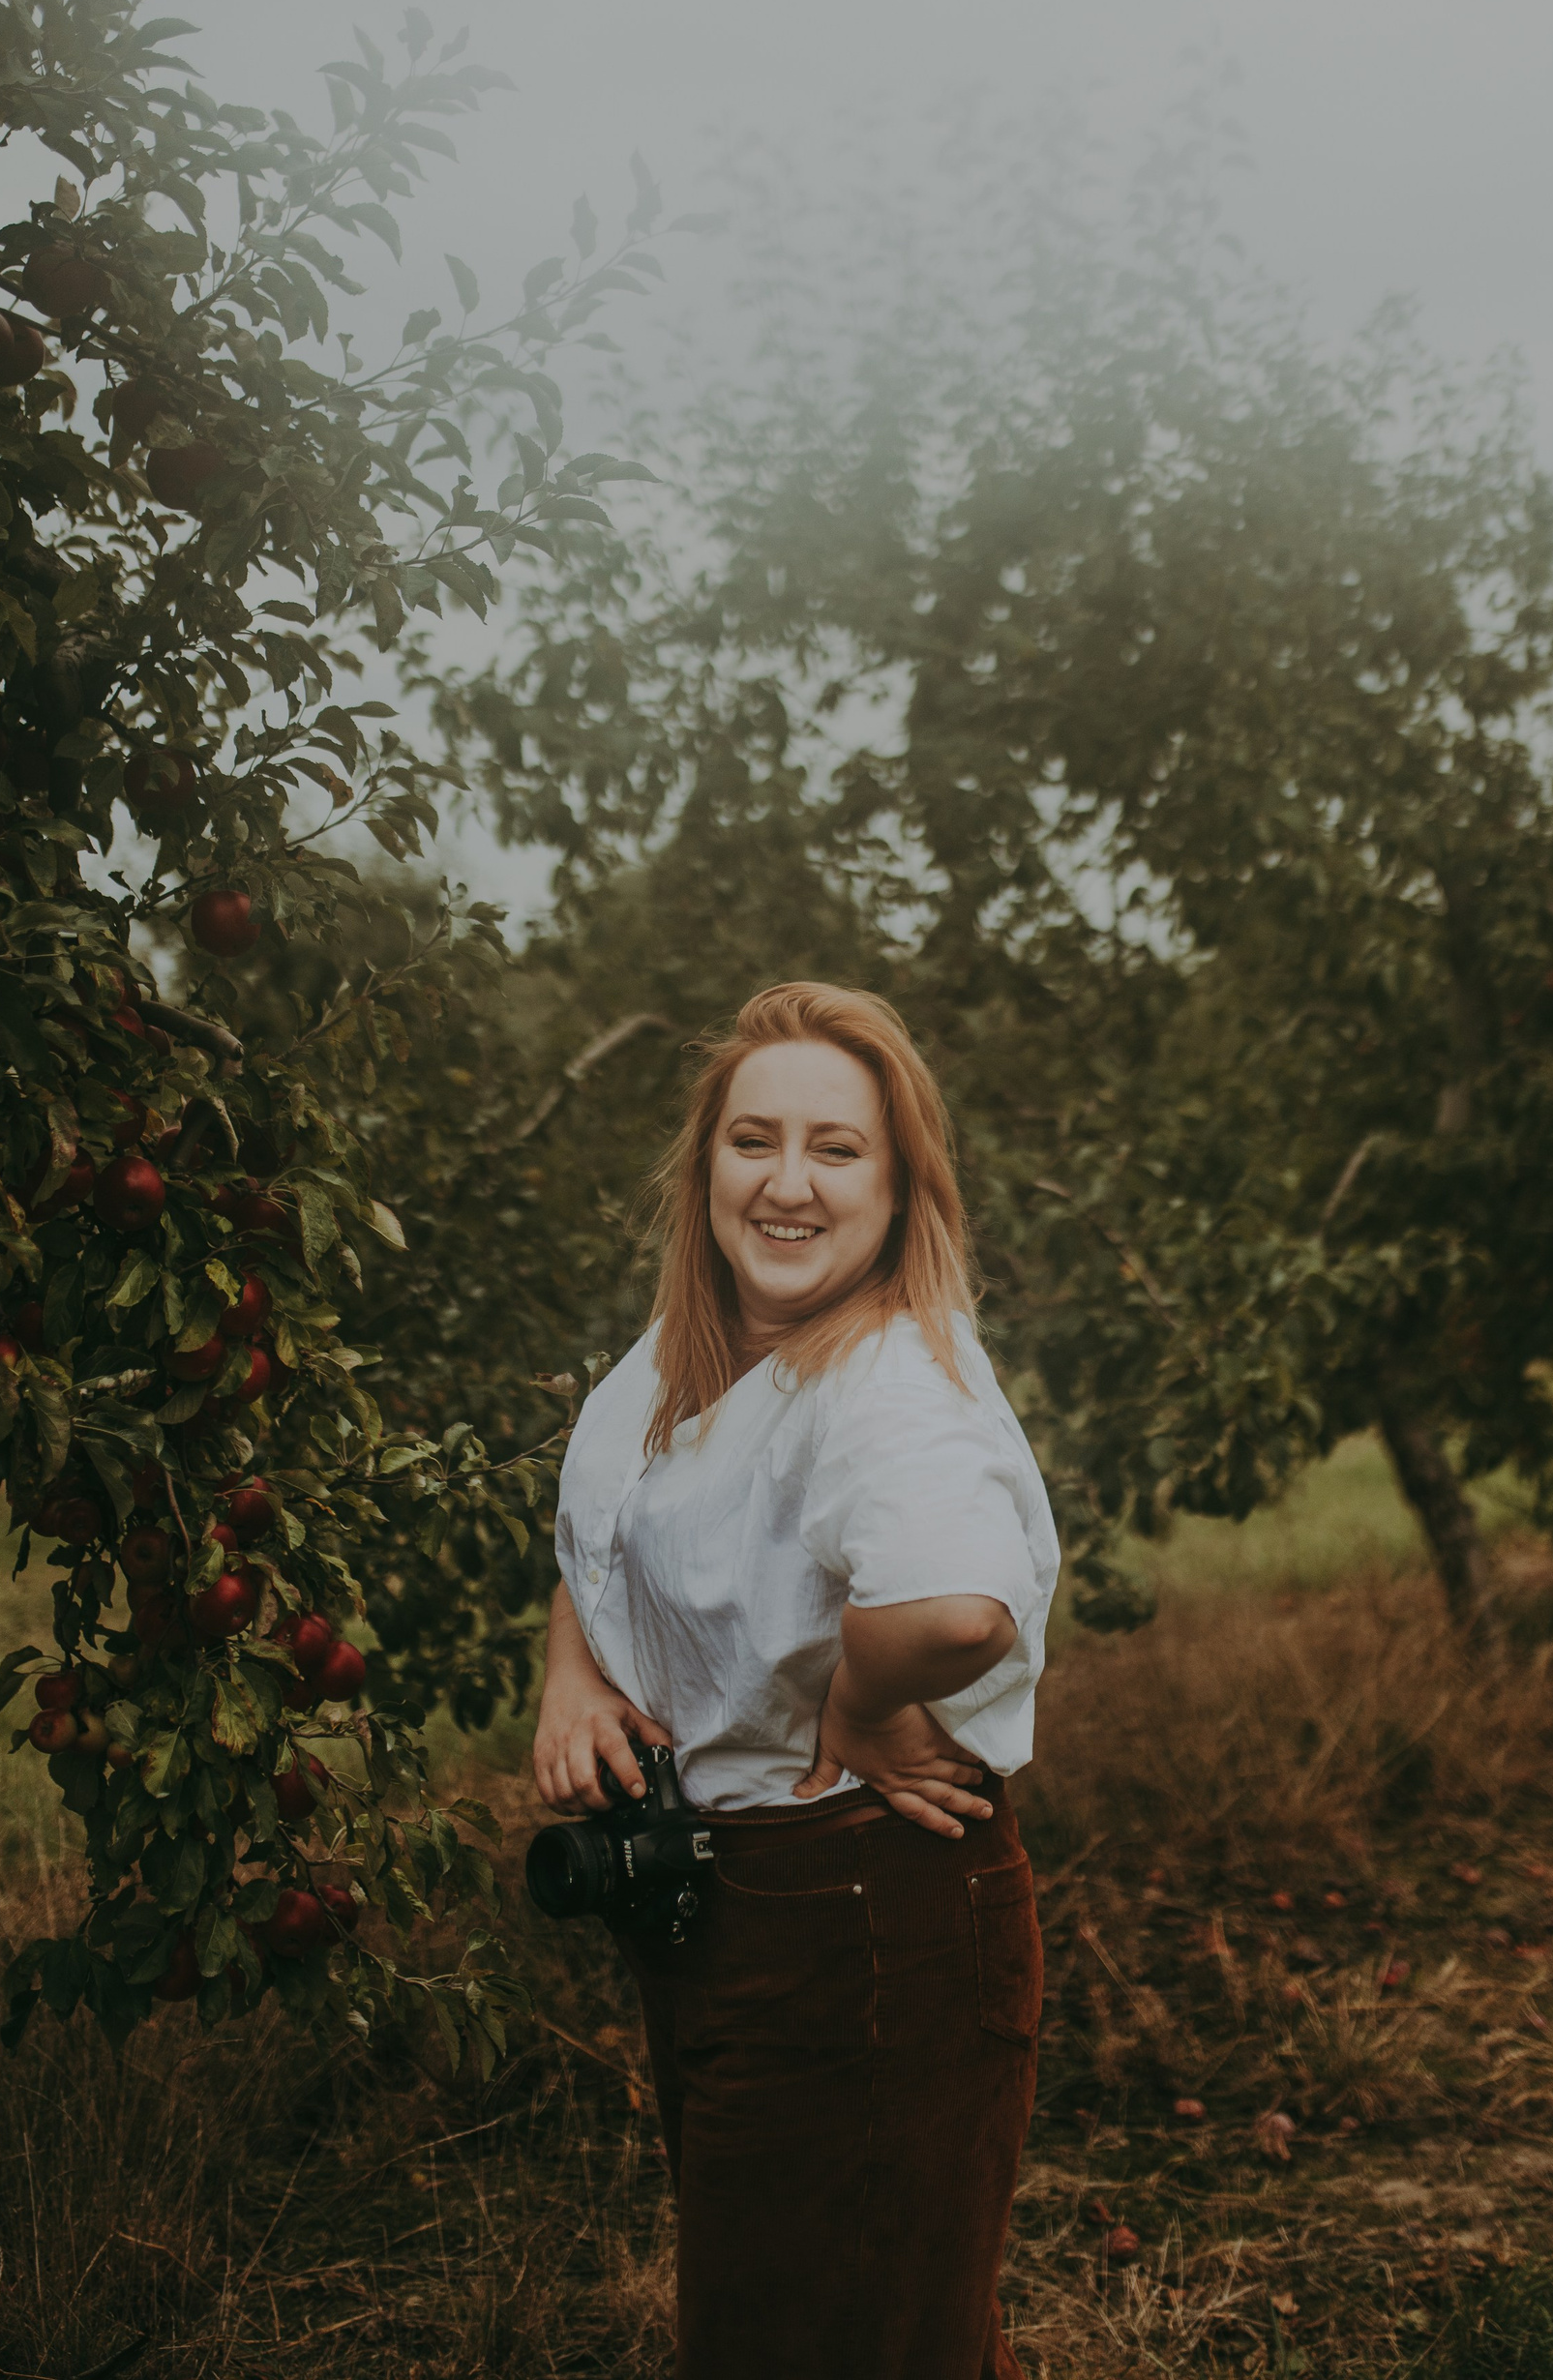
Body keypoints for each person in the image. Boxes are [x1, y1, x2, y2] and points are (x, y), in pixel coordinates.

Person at [533, 980, 1061, 2380]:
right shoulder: (681, 1354)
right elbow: (606, 1535)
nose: (786, 1182)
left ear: (898, 1187)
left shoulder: (890, 1380)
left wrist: (861, 1705)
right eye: (753, 1139)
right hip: (733, 1916)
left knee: (833, 2341)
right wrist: (572, 1674)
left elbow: (957, 1609)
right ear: (705, 1162)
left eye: (836, 1148)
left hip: (867, 1914)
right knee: (844, 2331)